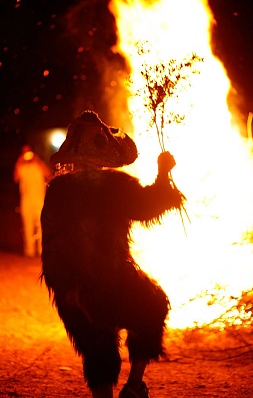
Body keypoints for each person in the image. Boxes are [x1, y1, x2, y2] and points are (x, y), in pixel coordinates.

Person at [41, 111, 185, 398]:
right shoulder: (116, 184)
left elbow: (51, 243)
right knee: (153, 306)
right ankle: (133, 387)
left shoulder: (56, 190)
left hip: (72, 287)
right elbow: (151, 205)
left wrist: (67, 288)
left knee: (97, 347)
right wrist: (163, 173)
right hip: (111, 281)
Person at [13, 145, 50, 257]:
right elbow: (15, 178)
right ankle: (29, 252)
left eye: (28, 152)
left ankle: (41, 251)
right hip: (26, 200)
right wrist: (19, 161)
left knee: (40, 226)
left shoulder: (38, 165)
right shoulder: (22, 167)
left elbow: (48, 174)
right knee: (27, 226)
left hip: (39, 200)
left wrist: (37, 160)